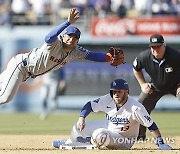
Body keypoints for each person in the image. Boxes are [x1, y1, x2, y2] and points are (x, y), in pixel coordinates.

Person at [0, 8, 124, 105]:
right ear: (64, 36)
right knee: (6, 97)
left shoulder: (75, 51)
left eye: (75, 38)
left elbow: (92, 55)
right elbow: (48, 37)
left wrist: (108, 57)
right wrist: (67, 23)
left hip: (27, 74)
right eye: (69, 36)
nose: (71, 39)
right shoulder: (55, 43)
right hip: (21, 66)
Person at [52, 79, 172, 150]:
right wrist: (81, 118)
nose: (116, 94)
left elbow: (151, 125)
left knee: (99, 134)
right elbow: (89, 105)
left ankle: (91, 142)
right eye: (114, 91)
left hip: (124, 140)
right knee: (76, 127)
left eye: (119, 91)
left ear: (127, 92)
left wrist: (160, 143)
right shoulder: (108, 99)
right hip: (109, 128)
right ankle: (68, 143)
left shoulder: (135, 108)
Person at [133, 34, 180, 140]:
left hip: (176, 85)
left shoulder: (175, 56)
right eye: (153, 47)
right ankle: (140, 137)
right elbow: (136, 68)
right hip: (156, 86)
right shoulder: (144, 57)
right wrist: (143, 84)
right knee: (140, 104)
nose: (155, 49)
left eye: (158, 46)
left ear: (164, 45)